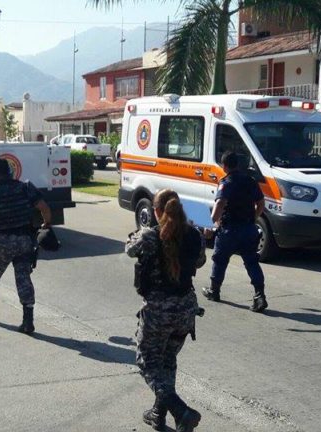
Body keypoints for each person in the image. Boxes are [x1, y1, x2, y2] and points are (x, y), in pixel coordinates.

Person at [126, 189, 205, 432]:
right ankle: (158, 414)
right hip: (185, 310)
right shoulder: (195, 234)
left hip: (159, 311)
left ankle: (181, 411)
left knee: (147, 363)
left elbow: (129, 249)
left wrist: (145, 229)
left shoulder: (150, 236)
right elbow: (200, 261)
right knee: (168, 361)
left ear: (157, 211)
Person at [0, 157, 52, 334]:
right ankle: (27, 321)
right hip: (24, 240)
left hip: (1, 241)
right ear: (10, 170)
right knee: (24, 278)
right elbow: (44, 208)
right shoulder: (25, 187)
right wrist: (46, 225)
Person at [203, 151, 268, 312]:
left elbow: (219, 204)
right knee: (252, 262)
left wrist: (209, 224)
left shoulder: (226, 182)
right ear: (238, 164)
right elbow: (261, 203)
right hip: (248, 229)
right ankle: (260, 295)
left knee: (220, 259)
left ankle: (214, 290)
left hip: (229, 230)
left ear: (224, 166)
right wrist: (253, 218)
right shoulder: (250, 180)